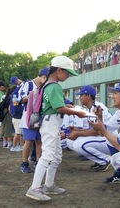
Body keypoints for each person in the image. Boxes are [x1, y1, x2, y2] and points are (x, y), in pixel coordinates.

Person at [26, 55, 88, 201]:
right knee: (48, 155)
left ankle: (49, 185)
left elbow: (54, 106)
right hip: (50, 123)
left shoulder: (46, 84)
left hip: (50, 122)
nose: (68, 76)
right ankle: (34, 188)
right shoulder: (54, 86)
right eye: (67, 73)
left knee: (56, 156)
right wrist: (77, 112)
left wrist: (68, 107)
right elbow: (58, 107)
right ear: (59, 70)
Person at [66, 85, 114, 172]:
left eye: (81, 95)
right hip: (104, 137)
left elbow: (97, 132)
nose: (79, 97)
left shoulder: (96, 107)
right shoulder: (91, 108)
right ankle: (99, 160)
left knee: (79, 145)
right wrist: (78, 130)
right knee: (70, 141)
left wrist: (78, 133)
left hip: (110, 139)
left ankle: (105, 160)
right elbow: (95, 130)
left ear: (88, 96)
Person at [20, 68, 49, 173]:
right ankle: (24, 163)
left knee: (39, 141)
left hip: (40, 117)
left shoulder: (45, 87)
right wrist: (33, 95)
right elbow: (20, 99)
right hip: (29, 117)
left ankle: (38, 163)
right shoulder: (28, 84)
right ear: (43, 77)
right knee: (29, 141)